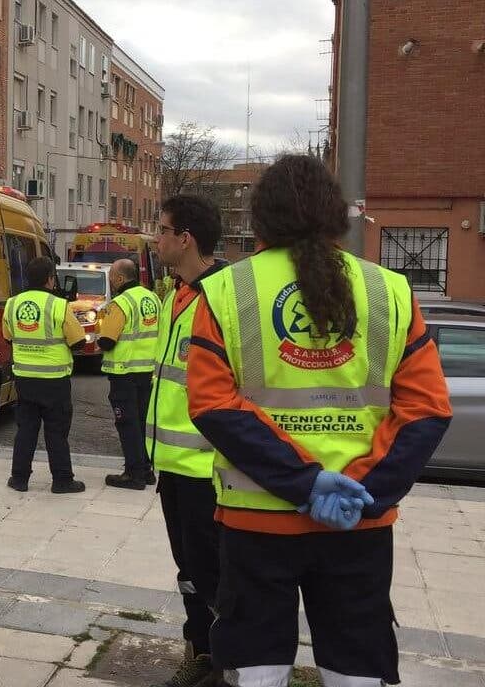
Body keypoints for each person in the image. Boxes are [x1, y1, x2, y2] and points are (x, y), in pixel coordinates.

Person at [187, 156, 452, 687]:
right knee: (357, 664)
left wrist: (303, 483)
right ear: (336, 214)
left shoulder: (224, 291)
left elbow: (212, 405)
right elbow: (427, 409)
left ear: (260, 218)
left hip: (257, 519)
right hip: (358, 522)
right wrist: (363, 491)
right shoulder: (390, 291)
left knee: (256, 665)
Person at [144, 195, 226, 687]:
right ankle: (199, 647)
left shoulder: (220, 298)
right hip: (172, 465)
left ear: (186, 237)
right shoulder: (177, 296)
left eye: (162, 230)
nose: (157, 240)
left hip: (205, 469)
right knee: (188, 568)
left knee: (212, 569)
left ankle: (224, 662)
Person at [4, 256, 87, 494]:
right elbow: (79, 341)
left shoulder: (12, 304)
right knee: (56, 431)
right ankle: (62, 480)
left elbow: (8, 337)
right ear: (50, 279)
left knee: (26, 429)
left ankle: (19, 479)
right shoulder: (59, 305)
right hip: (54, 380)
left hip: (24, 379)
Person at [96, 258, 161, 489]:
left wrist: (99, 332)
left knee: (127, 423)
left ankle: (133, 474)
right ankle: (146, 469)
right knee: (143, 422)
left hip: (124, 372)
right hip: (148, 371)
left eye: (112, 277)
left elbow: (107, 340)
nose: (111, 281)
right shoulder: (152, 298)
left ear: (120, 278)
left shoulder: (120, 303)